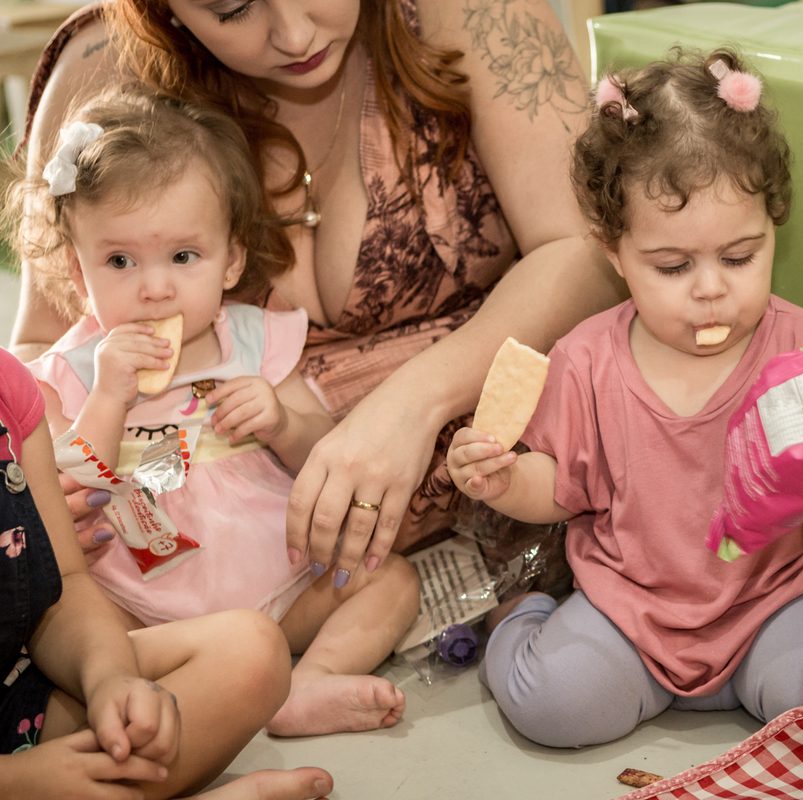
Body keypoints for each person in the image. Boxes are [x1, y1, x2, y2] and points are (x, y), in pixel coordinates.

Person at [10, 0, 625, 582]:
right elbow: (44, 347)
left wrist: (413, 403)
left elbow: (586, 250)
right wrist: (56, 487)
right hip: (199, 569)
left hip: (516, 511)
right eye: (231, 10)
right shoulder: (101, 70)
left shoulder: (471, 13)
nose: (295, 35)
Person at [446, 49, 803, 748]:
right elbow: (562, 489)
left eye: (740, 256)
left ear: (773, 229)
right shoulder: (585, 361)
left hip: (778, 598)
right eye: (672, 266)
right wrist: (505, 479)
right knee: (551, 706)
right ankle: (519, 614)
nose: (710, 288)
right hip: (630, 607)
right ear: (614, 251)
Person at [13, 89, 418, 737]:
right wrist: (110, 395)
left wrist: (282, 423)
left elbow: (326, 450)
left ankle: (308, 682)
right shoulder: (67, 374)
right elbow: (64, 495)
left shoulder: (254, 340)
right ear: (77, 269)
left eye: (183, 257)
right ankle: (176, 697)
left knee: (390, 580)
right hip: (145, 606)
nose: (154, 287)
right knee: (70, 634)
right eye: (119, 261)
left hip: (276, 576)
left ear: (229, 260)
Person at [0, 346, 334, 799]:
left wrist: (108, 678)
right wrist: (23, 782)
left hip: (16, 693)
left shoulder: (11, 387)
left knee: (252, 649)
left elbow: (67, 584)